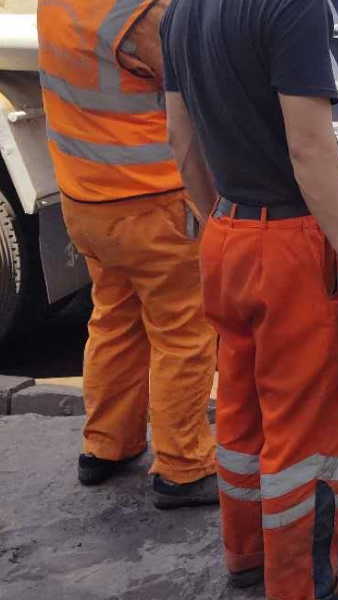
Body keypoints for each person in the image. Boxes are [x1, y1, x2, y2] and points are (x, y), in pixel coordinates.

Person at [160, 0, 338, 596]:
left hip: (225, 233)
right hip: (291, 248)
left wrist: (220, 221)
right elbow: (309, 147)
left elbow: (181, 137)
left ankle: (247, 560)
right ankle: (303, 585)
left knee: (242, 418)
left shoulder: (179, 14)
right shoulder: (291, 6)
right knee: (306, 439)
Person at [37, 0, 218, 508]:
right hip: (150, 203)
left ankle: (106, 444)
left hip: (86, 199)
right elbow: (198, 94)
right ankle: (184, 466)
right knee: (183, 332)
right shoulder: (139, 15)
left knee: (115, 317)